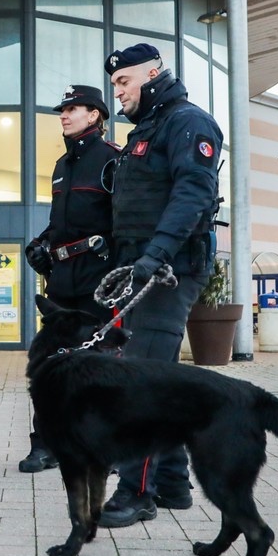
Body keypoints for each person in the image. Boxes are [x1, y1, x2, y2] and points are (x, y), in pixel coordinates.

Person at [97, 43, 222, 527]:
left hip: (169, 270)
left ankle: (136, 492)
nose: (119, 92)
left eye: (124, 82)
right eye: (114, 84)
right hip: (142, 268)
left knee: (141, 381)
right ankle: (171, 482)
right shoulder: (145, 131)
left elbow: (194, 192)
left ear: (152, 74)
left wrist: (156, 253)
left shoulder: (188, 122)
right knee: (159, 375)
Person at [21, 85, 120, 473]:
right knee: (50, 362)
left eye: (73, 108)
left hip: (99, 278)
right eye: (62, 109)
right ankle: (44, 444)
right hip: (61, 278)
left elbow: (122, 223)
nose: (64, 115)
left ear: (95, 115)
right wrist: (41, 243)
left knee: (100, 363)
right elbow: (59, 223)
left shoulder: (114, 160)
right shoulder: (62, 166)